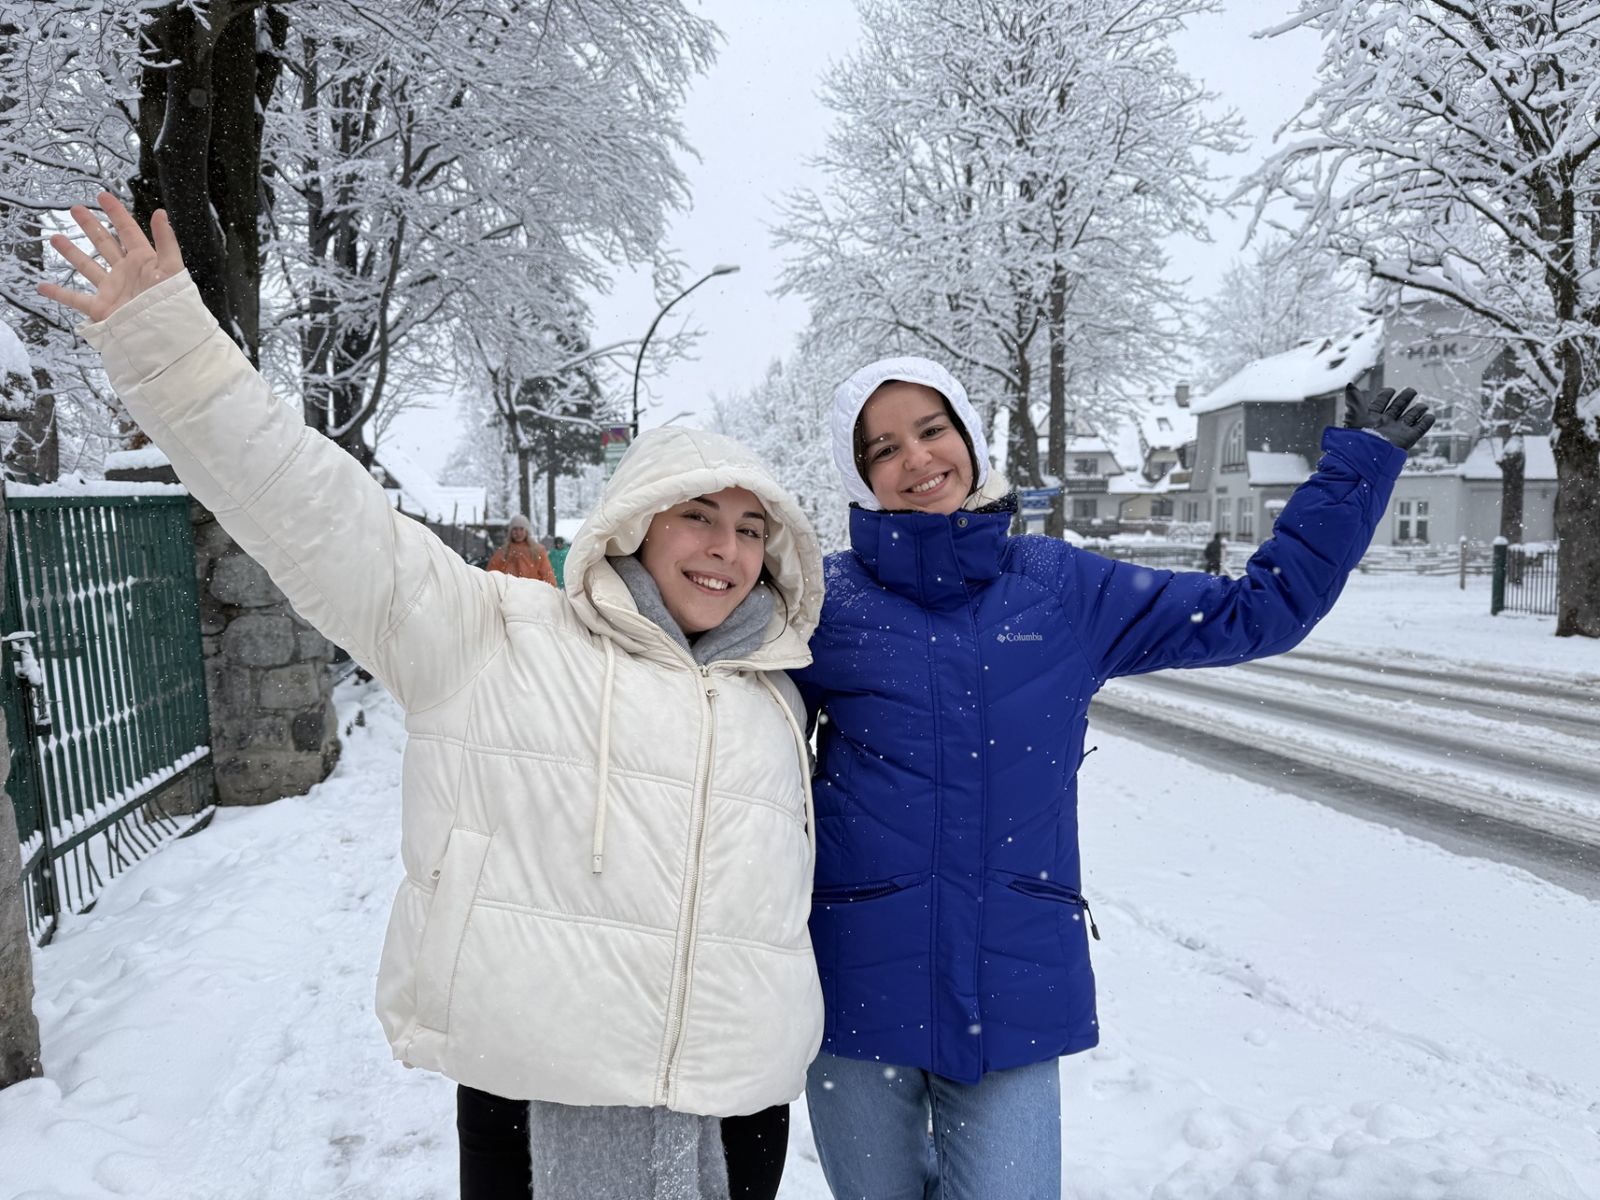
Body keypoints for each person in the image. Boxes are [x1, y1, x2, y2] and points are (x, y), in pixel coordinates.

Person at [42, 193, 822, 1200]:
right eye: (699, 518)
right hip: (534, 1089)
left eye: (753, 529)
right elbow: (318, 514)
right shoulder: (497, 632)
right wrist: (175, 349)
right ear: (634, 526)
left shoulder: (777, 693)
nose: (726, 549)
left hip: (734, 1104)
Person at [791, 355, 1433, 1199]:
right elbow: (710, 734)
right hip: (854, 987)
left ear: (970, 438)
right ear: (859, 474)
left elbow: (1258, 611)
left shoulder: (1060, 588)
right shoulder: (822, 604)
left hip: (1010, 983)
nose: (916, 460)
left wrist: (1353, 473)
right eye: (882, 448)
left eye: (931, 429)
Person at [487, 513, 557, 585]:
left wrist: (549, 590)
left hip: (532, 592)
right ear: (510, 531)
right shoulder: (503, 552)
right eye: (515, 529)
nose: (518, 533)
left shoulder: (538, 550)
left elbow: (547, 575)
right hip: (509, 592)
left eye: (521, 529)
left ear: (526, 531)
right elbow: (491, 575)